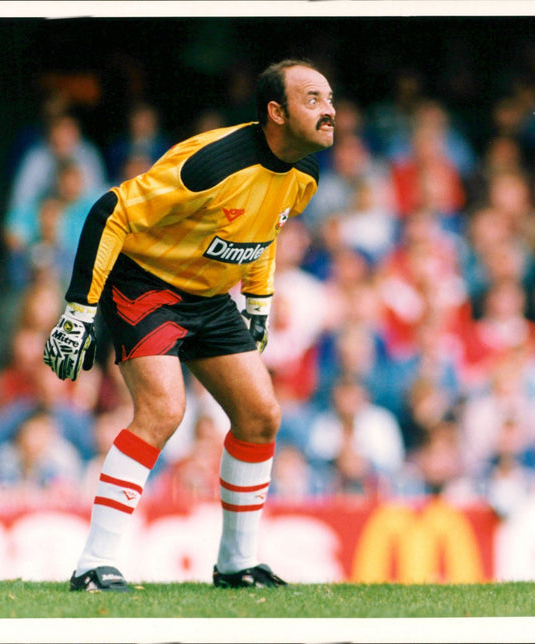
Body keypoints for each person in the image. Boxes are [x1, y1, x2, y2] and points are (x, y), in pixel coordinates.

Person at [42, 59, 335, 592]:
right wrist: (78, 310)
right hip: (145, 283)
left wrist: (260, 299)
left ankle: (237, 565)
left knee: (261, 415)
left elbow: (262, 232)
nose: (329, 110)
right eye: (312, 99)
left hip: (209, 295)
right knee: (163, 409)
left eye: (329, 99)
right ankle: (92, 564)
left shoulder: (307, 174)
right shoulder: (211, 165)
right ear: (276, 111)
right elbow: (110, 210)